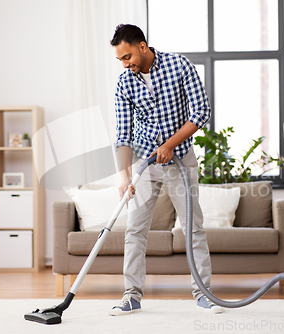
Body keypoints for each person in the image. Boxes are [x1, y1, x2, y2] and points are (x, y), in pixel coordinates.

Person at [109, 24, 223, 316]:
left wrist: (170, 144)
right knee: (135, 230)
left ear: (142, 46)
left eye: (127, 56)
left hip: (181, 159)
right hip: (145, 163)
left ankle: (203, 293)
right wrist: (124, 177)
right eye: (120, 59)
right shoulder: (125, 83)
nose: (125, 64)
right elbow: (123, 134)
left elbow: (201, 111)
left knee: (193, 229)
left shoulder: (178, 65)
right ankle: (131, 296)